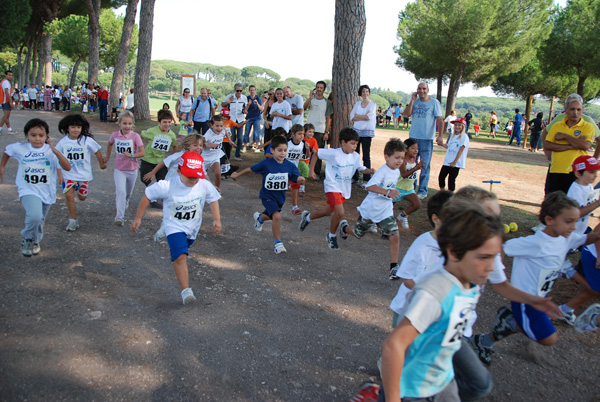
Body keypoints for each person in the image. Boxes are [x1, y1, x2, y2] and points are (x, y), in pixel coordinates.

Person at [376, 202, 504, 402]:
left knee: (480, 384)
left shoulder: (471, 285)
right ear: (453, 252)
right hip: (412, 390)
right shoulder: (435, 291)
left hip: (442, 381)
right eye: (483, 258)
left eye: (494, 257)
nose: (491, 267)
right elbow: (394, 346)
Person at [470, 192, 600, 361]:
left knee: (545, 336)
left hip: (540, 300)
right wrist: (498, 273)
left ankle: (485, 340)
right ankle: (509, 321)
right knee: (549, 339)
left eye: (575, 221)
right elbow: (504, 247)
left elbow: (586, 239)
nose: (574, 226)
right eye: (568, 221)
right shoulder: (536, 242)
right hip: (525, 301)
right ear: (549, 220)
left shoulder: (565, 238)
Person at [131, 151, 221, 305]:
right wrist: (138, 218)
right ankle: (186, 291)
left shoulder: (204, 185)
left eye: (196, 177)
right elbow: (147, 196)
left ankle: (165, 232)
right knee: (180, 256)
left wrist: (217, 219)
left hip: (192, 227)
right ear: (179, 172)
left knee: (185, 248)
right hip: (173, 226)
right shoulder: (167, 186)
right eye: (189, 177)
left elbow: (213, 200)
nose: (193, 180)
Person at [0, 118, 71, 256]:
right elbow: (8, 151)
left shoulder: (50, 151)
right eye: (33, 135)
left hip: (46, 191)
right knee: (35, 216)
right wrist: (2, 166)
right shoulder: (20, 148)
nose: (37, 139)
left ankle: (35, 241)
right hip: (27, 189)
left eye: (41, 135)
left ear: (46, 136)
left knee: (40, 219)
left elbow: (67, 166)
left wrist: (55, 151)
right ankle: (27, 238)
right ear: (27, 135)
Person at [339, 138, 406, 279]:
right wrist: (387, 192)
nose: (400, 161)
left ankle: (394, 268)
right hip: (371, 210)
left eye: (402, 158)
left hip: (385, 211)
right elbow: (369, 186)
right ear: (387, 157)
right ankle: (345, 228)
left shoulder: (397, 171)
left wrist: (391, 194)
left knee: (395, 236)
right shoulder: (383, 171)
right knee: (357, 233)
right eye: (397, 158)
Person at [299, 128, 374, 250]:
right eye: (352, 143)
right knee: (340, 212)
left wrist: (368, 171)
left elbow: (360, 168)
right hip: (332, 186)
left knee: (328, 212)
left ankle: (307, 217)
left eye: (356, 143)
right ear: (343, 142)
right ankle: (331, 235)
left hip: (344, 189)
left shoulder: (355, 156)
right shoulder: (334, 153)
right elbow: (316, 153)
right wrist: (311, 170)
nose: (355, 146)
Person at [231, 135, 305, 254]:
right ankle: (278, 243)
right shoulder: (267, 164)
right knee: (276, 216)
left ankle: (260, 218)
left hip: (280, 198)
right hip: (267, 196)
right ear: (272, 150)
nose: (282, 153)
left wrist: (300, 179)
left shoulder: (290, 166)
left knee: (271, 215)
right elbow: (251, 169)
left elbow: (295, 177)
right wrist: (237, 175)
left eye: (285, 150)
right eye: (279, 150)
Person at [558, 155, 600, 323]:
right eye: (590, 172)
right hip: (568, 233)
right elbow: (576, 214)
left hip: (579, 233)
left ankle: (571, 269)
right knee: (555, 260)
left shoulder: (588, 187)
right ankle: (567, 269)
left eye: (595, 172)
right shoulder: (576, 190)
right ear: (578, 173)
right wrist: (596, 203)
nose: (594, 176)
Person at [143, 133, 206, 243]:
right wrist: (153, 172)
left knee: (184, 208)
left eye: (200, 145)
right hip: (172, 187)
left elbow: (203, 173)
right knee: (172, 209)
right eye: (195, 145)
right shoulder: (179, 155)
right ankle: (164, 229)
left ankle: (181, 230)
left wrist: (210, 185)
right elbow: (163, 162)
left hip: (187, 188)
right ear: (187, 146)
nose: (199, 148)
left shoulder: (199, 159)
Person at [55, 114, 106, 231]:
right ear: (67, 128)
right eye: (72, 127)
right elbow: (56, 158)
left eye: (78, 127)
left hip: (83, 175)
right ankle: (72, 221)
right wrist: (60, 175)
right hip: (68, 175)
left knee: (82, 197)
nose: (76, 130)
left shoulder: (87, 140)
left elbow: (97, 151)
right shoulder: (63, 143)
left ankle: (78, 187)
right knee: (69, 196)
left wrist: (101, 164)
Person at [543, 94, 594, 194]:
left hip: (576, 172)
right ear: (566, 110)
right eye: (572, 109)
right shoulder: (557, 125)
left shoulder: (588, 126)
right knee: (554, 204)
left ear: (582, 110)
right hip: (556, 170)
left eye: (579, 109)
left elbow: (585, 146)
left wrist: (565, 136)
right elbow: (548, 145)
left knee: (574, 205)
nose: (575, 112)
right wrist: (573, 145)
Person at [402, 82, 444, 199]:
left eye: (424, 89)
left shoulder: (434, 102)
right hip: (413, 138)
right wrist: (412, 100)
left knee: (425, 165)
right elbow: (406, 114)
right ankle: (411, 188)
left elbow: (440, 120)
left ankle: (422, 190)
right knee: (411, 164)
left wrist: (440, 135)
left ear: (428, 90)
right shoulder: (415, 102)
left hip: (426, 138)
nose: (422, 91)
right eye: (419, 88)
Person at [103, 111, 145, 226]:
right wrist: (107, 156)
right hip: (119, 169)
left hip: (132, 169)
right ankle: (119, 217)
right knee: (121, 191)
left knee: (128, 193)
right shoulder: (115, 135)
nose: (127, 126)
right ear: (119, 123)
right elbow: (110, 143)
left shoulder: (135, 136)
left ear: (133, 125)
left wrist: (131, 155)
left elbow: (142, 153)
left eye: (130, 124)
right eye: (125, 123)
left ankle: (125, 202)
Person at [139, 109, 177, 208]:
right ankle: (152, 196)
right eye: (164, 122)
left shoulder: (172, 135)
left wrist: (175, 159)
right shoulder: (152, 131)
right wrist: (138, 148)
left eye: (169, 122)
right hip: (147, 159)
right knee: (145, 178)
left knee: (163, 180)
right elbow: (141, 136)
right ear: (159, 122)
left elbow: (174, 146)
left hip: (160, 161)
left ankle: (157, 199)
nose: (167, 124)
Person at [303, 81, 333, 177]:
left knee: (317, 152)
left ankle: (316, 172)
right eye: (317, 87)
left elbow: (328, 118)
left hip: (320, 130)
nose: (319, 89)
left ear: (324, 89)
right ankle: (305, 170)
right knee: (306, 150)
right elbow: (304, 107)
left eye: (321, 88)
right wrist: (310, 98)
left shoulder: (327, 102)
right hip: (308, 129)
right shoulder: (311, 99)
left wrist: (326, 132)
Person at [350, 84, 377, 183]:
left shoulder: (372, 104)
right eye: (363, 92)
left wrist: (358, 116)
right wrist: (361, 116)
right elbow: (351, 117)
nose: (365, 93)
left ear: (369, 92)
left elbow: (368, 117)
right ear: (360, 94)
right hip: (356, 132)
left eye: (366, 91)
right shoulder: (357, 104)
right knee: (355, 154)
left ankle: (366, 178)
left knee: (366, 155)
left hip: (367, 133)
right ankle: (355, 177)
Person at [394, 138, 422, 230]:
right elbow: (404, 175)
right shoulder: (403, 161)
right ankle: (376, 221)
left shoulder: (414, 159)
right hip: (397, 188)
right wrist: (416, 168)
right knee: (388, 207)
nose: (416, 150)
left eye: (417, 148)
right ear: (406, 149)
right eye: (413, 148)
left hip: (409, 189)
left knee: (417, 204)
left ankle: (403, 215)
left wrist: (417, 167)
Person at [284, 124, 310, 215]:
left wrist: (307, 149)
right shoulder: (287, 142)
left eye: (303, 134)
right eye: (299, 134)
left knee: (295, 185)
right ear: (293, 134)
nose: (302, 136)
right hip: (283, 166)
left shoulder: (303, 144)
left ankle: (295, 207)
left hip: (294, 167)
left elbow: (306, 156)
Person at [438, 117, 470, 192]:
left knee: (451, 180)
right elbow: (448, 146)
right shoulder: (453, 136)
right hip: (447, 161)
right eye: (456, 125)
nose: (457, 127)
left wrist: (455, 162)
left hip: (455, 163)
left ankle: (450, 195)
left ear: (463, 126)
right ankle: (442, 193)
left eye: (459, 125)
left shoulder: (464, 137)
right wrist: (441, 144)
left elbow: (461, 149)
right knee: (441, 177)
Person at [201, 114, 230, 192]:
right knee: (201, 176)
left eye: (221, 126)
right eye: (217, 126)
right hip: (205, 158)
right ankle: (201, 190)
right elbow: (199, 145)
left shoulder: (222, 131)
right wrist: (208, 145)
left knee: (218, 174)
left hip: (215, 157)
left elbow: (225, 131)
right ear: (211, 125)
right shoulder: (208, 135)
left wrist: (230, 141)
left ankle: (215, 191)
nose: (219, 128)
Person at [221, 84, 248, 161]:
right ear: (234, 90)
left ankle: (237, 154)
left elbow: (245, 106)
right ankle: (227, 154)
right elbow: (222, 104)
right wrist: (228, 102)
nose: (239, 92)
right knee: (231, 137)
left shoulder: (244, 98)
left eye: (240, 90)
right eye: (237, 90)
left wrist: (245, 110)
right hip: (231, 119)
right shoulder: (230, 96)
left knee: (240, 138)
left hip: (240, 119)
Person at [244, 85, 263, 152]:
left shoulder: (258, 98)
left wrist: (257, 103)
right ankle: (244, 147)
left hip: (257, 117)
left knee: (256, 132)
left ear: (255, 90)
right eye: (251, 90)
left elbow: (261, 109)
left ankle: (257, 147)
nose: (252, 91)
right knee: (246, 132)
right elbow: (245, 109)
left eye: (253, 90)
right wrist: (248, 104)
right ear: (249, 91)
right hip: (249, 117)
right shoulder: (247, 98)